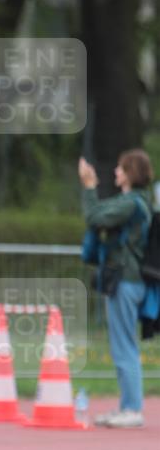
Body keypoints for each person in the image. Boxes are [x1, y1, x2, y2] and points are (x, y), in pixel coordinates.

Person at [78, 150, 153, 428]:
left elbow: (95, 217)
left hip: (126, 281)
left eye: (121, 169)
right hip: (129, 281)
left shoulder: (131, 203)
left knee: (124, 346)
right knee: (124, 345)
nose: (116, 173)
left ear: (131, 172)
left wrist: (88, 187)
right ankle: (127, 406)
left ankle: (132, 409)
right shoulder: (135, 202)